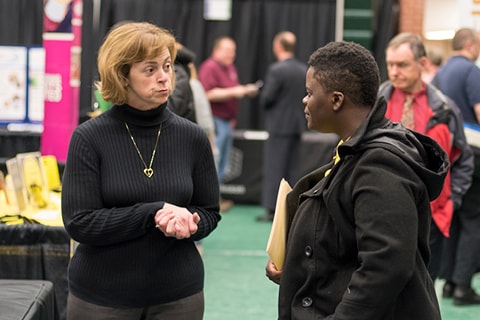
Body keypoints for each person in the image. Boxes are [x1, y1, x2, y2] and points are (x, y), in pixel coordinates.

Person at [265, 41, 447, 319]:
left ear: (336, 100)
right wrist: (297, 267)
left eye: (310, 92)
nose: (304, 100)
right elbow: (344, 245)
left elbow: (385, 267)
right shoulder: (352, 150)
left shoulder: (380, 167)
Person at [61, 22, 221, 319]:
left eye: (168, 66)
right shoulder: (88, 138)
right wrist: (152, 213)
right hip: (102, 299)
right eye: (150, 70)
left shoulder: (192, 137)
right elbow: (79, 223)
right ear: (122, 76)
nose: (164, 78)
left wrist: (192, 222)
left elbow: (210, 211)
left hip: (178, 297)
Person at [378, 32, 474, 284]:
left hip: (430, 216)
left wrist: (452, 200)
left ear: (422, 64)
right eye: (390, 65)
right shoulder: (375, 104)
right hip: (380, 212)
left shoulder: (444, 108)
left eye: (402, 65)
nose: (394, 71)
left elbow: (462, 159)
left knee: (424, 288)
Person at [434, 27, 480, 305]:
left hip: (447, 153)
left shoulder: (441, 75)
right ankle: (463, 285)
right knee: (474, 220)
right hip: (474, 152)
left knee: (454, 214)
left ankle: (450, 282)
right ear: (471, 44)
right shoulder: (472, 72)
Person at [198, 36, 259, 212]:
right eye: (227, 50)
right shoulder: (209, 67)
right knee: (213, 163)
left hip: (227, 122)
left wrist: (243, 90)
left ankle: (216, 198)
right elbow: (207, 94)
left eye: (233, 51)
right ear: (216, 50)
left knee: (223, 165)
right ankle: (211, 201)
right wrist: (236, 91)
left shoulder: (230, 68)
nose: (232, 54)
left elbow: (230, 89)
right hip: (215, 122)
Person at [256, 31, 307, 222]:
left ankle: (272, 209)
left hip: (278, 126)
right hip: (297, 126)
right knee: (293, 169)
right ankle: (292, 207)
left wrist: (261, 92)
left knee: (275, 168)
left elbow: (267, 99)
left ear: (278, 47)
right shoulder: (303, 70)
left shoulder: (276, 70)